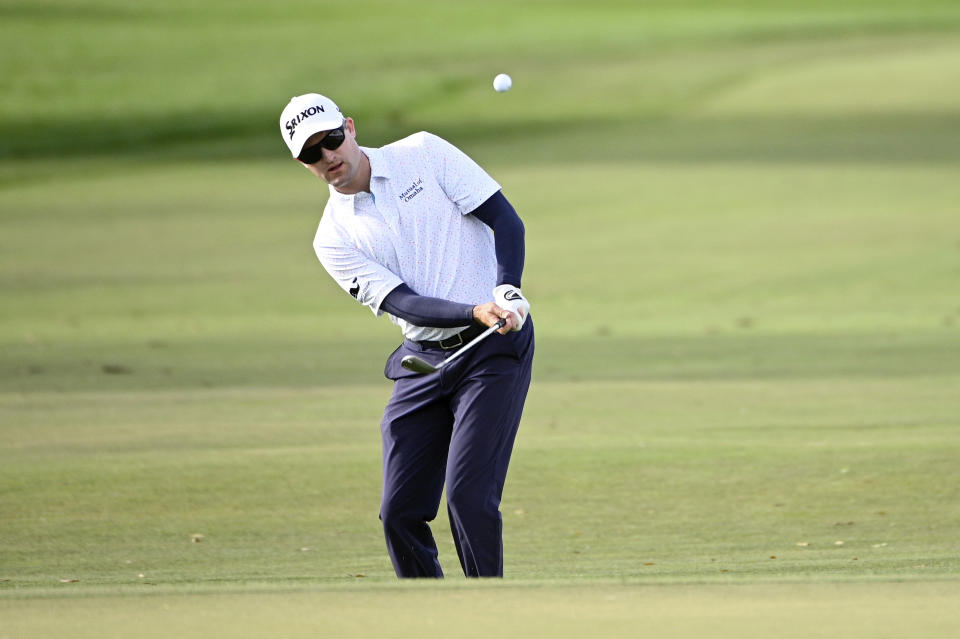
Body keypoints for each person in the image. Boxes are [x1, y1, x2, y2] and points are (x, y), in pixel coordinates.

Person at [279, 93, 534, 578]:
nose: (327, 156)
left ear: (349, 128)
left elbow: (505, 219)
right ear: (302, 164)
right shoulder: (332, 236)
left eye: (331, 140)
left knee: (468, 497)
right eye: (311, 153)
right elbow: (401, 302)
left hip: (493, 351)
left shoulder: (423, 152)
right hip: (423, 362)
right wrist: (471, 310)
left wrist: (506, 290)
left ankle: (492, 614)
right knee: (399, 512)